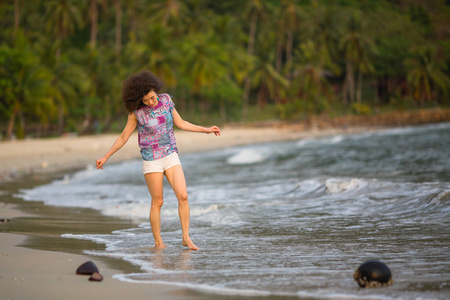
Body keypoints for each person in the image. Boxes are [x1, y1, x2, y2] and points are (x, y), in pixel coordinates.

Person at [96, 70, 220, 251]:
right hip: (151, 159)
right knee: (158, 202)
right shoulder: (136, 112)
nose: (150, 102)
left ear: (156, 90)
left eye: (152, 98)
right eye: (146, 100)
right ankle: (158, 242)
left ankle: (186, 237)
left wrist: (206, 130)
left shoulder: (167, 100)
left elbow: (181, 123)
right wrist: (106, 156)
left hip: (170, 154)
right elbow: (124, 137)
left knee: (183, 196)